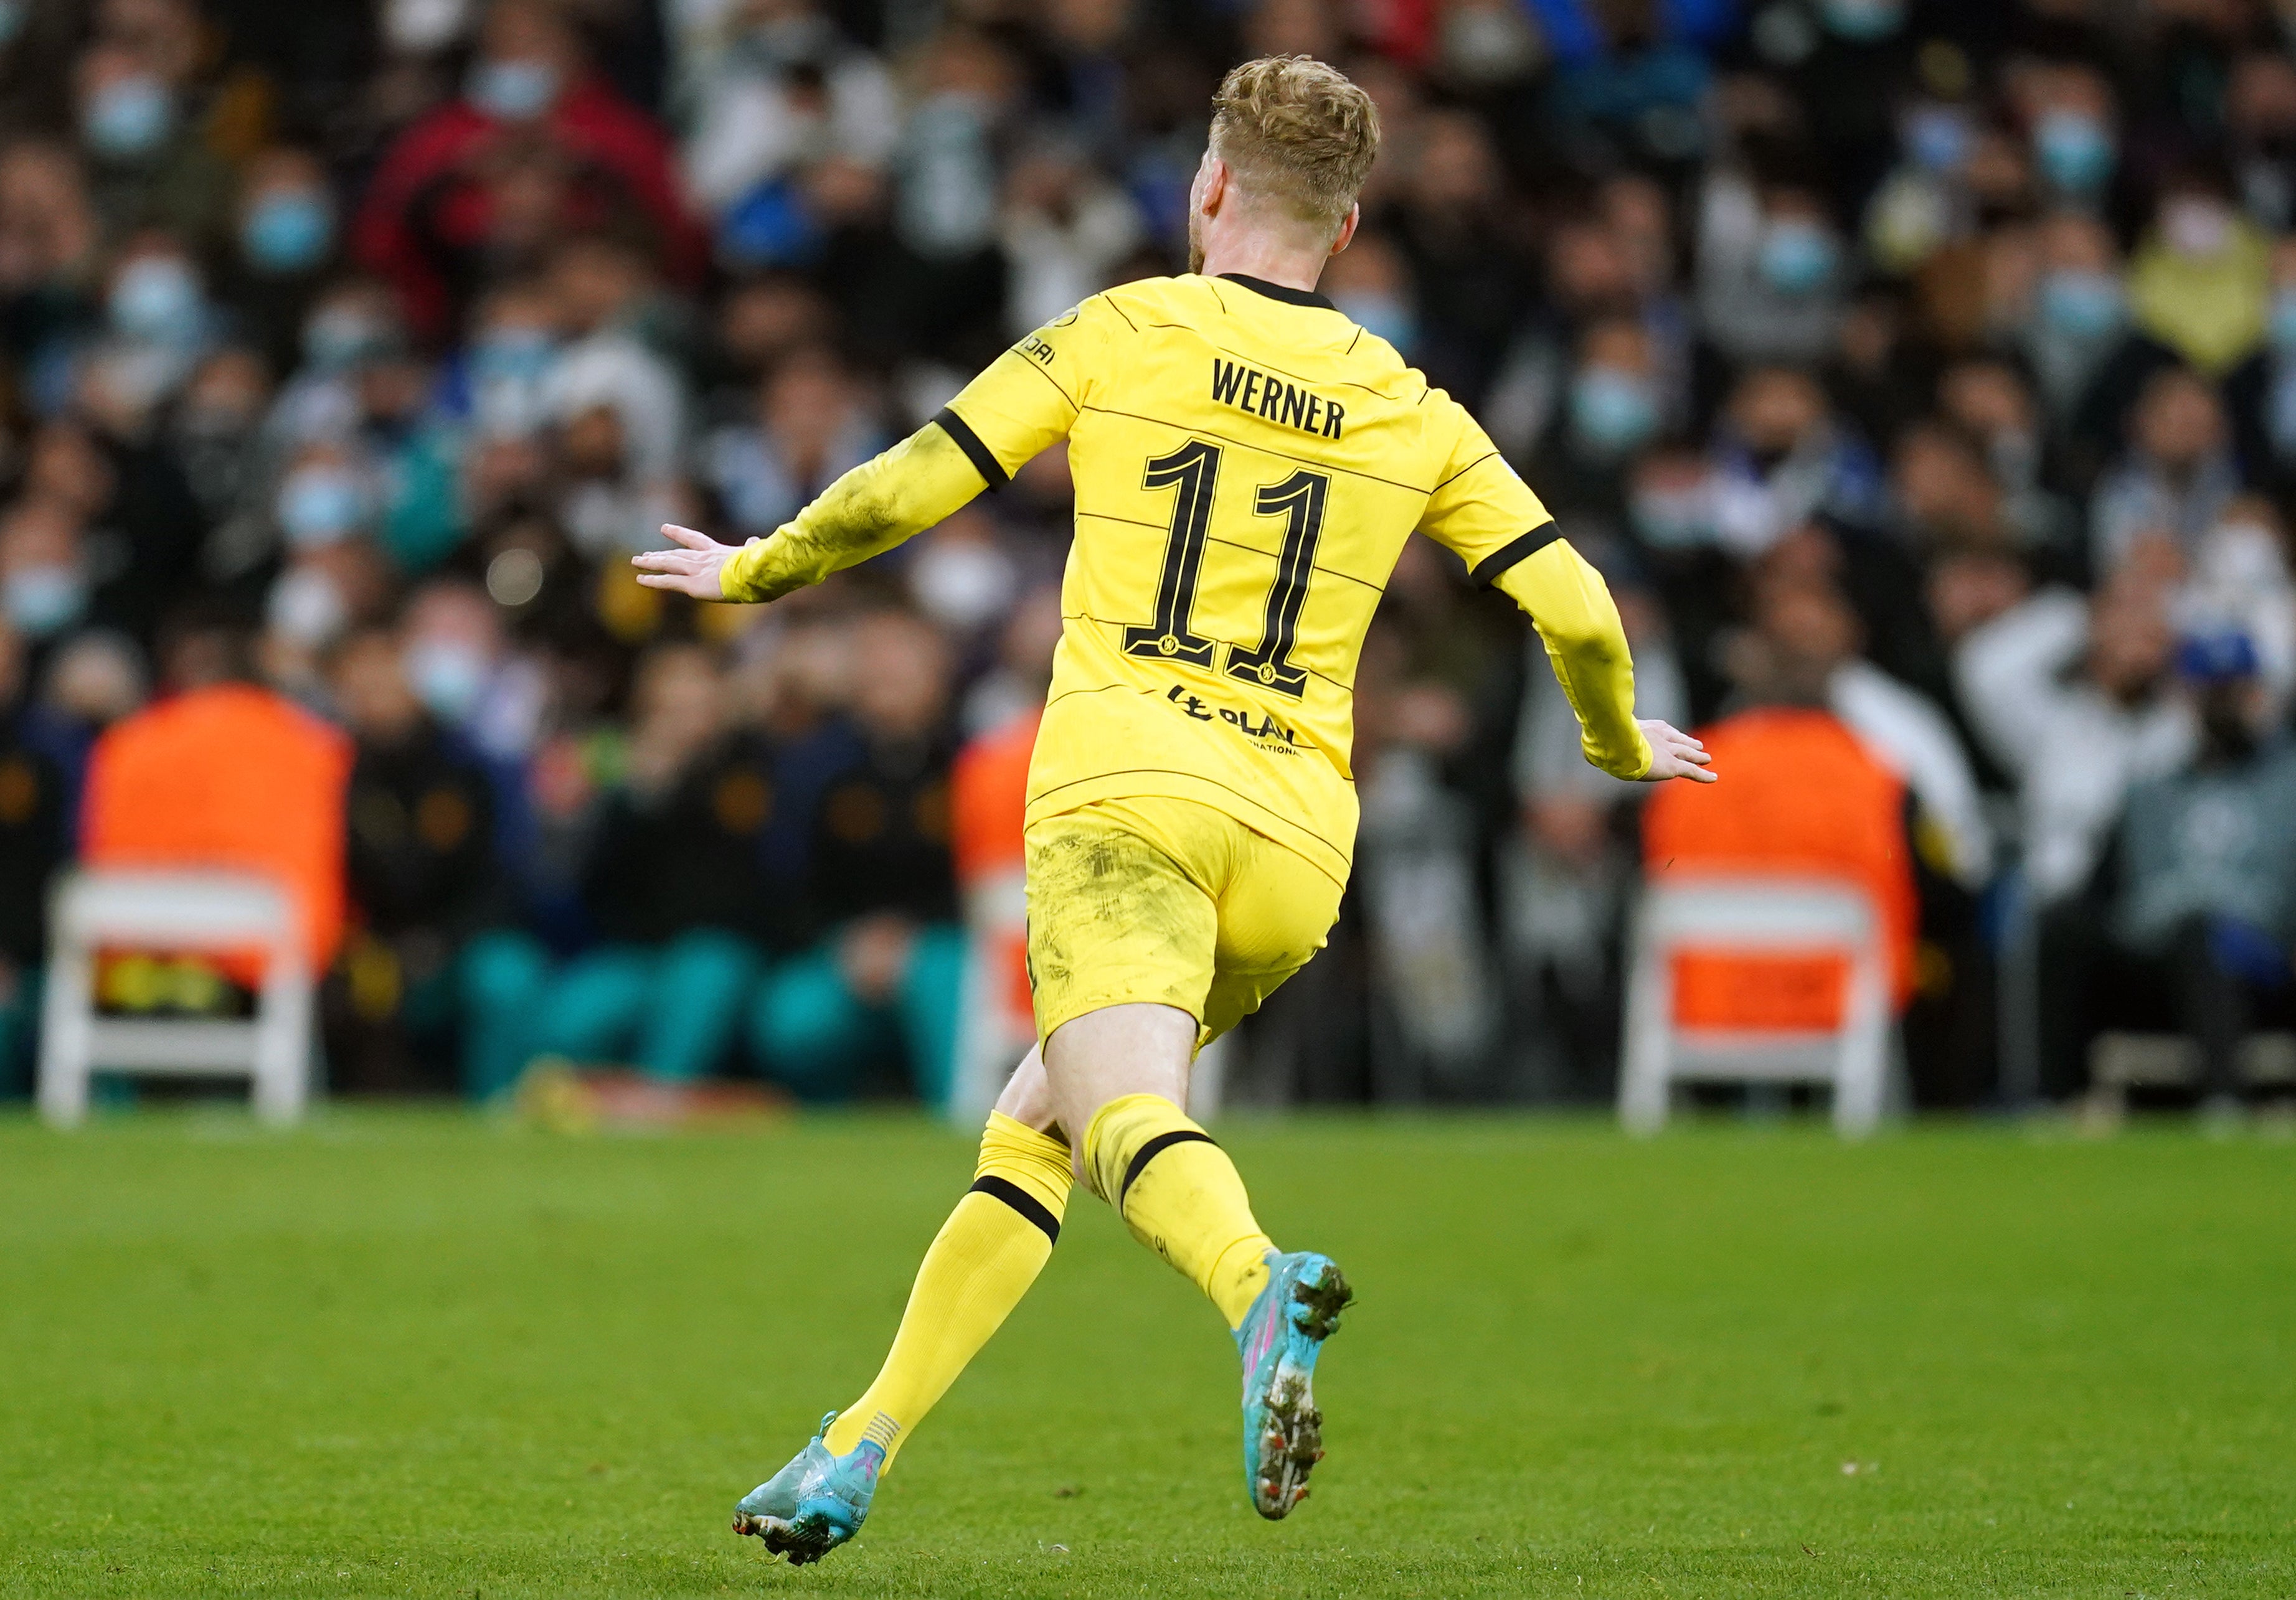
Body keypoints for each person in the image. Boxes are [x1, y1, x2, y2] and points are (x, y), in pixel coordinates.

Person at [633, 55, 1714, 1564]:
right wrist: (1607, 746)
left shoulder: (1123, 327)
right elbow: (1583, 611)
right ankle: (853, 1448)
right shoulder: (1410, 404)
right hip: (1291, 847)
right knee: (1039, 1122)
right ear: (1342, 233)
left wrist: (760, 567)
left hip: (1123, 801)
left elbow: (902, 491)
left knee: (1127, 1112)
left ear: (1205, 188)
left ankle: (1254, 1281)